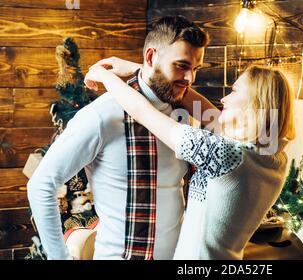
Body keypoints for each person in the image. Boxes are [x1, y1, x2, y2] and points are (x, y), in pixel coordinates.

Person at [27, 15, 210, 260]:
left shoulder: (186, 111)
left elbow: (222, 122)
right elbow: (41, 185)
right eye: (181, 66)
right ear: (150, 57)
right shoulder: (103, 115)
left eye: (195, 69)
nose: (190, 79)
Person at [84, 59, 296, 259]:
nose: (224, 99)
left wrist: (105, 76)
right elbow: (203, 110)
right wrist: (140, 70)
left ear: (255, 103)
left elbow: (143, 112)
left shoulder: (227, 155)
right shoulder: (273, 157)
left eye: (234, 91)